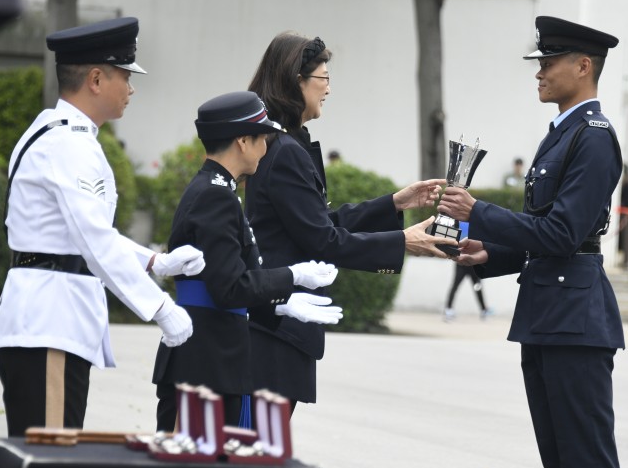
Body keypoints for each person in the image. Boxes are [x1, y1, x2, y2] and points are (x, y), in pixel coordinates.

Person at [439, 15, 625, 468]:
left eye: (548, 62)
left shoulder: (593, 137)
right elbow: (544, 232)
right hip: (548, 312)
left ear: (583, 66)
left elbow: (565, 234)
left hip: (575, 319)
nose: (539, 73)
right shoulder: (561, 135)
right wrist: (490, 253)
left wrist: (477, 210)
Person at [0, 17, 206, 437]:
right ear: (95, 78)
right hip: (49, 325)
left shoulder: (63, 135)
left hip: (51, 322)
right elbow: (93, 240)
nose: (131, 88)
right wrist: (160, 308)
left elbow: (80, 236)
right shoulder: (68, 144)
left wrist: (154, 262)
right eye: (124, 76)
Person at [244, 31, 450, 414]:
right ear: (296, 81)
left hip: (273, 321)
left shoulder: (285, 143)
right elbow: (323, 240)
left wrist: (393, 203)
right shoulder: (284, 150)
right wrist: (401, 240)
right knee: (258, 455)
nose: (328, 89)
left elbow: (316, 223)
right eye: (324, 78)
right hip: (276, 324)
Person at [151, 91, 343, 430]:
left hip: (212, 361)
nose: (267, 148)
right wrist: (292, 276)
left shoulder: (217, 189)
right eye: (262, 139)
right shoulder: (215, 196)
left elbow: (228, 281)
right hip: (204, 362)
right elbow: (230, 287)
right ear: (242, 141)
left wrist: (281, 306)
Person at [443, 221, 492, 321]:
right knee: (455, 285)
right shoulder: (458, 223)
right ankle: (448, 309)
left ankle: (483, 310)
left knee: (477, 286)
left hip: (473, 263)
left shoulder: (477, 223)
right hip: (460, 261)